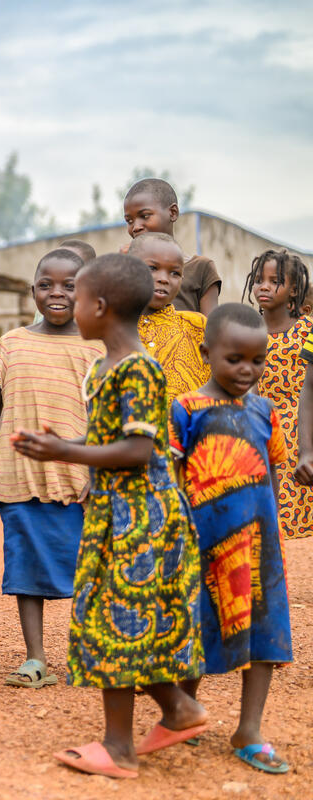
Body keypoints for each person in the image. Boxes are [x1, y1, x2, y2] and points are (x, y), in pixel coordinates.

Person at [13, 254, 206, 780]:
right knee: (108, 619)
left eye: (76, 297)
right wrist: (57, 446)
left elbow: (138, 450)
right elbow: (107, 442)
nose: (70, 306)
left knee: (117, 623)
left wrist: (66, 453)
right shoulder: (104, 367)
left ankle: (119, 748)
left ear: (98, 307)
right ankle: (179, 709)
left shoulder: (138, 368)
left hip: (141, 520)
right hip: (114, 515)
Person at [170, 303, 293, 775]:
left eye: (257, 361)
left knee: (265, 634)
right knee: (196, 625)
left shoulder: (265, 411)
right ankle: (182, 710)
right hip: (201, 544)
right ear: (207, 353)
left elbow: (271, 471)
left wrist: (274, 531)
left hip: (260, 546)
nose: (247, 370)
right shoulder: (187, 409)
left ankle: (250, 729)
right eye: (234, 359)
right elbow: (173, 473)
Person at [0, 249, 103, 689]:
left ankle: (87, 653)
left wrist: (98, 472)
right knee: (26, 571)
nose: (56, 293)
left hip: (79, 482)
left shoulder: (100, 347)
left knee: (88, 570)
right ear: (31, 290)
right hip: (19, 480)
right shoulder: (11, 343)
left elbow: (107, 417)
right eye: (45, 284)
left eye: (69, 285)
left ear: (88, 292)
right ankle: (36, 659)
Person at [250, 249, 313, 540]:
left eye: (274, 280)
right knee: (273, 529)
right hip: (266, 437)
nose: (264, 286)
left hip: (305, 435)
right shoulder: (248, 334)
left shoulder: (308, 331)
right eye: (258, 279)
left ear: (294, 291)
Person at [130, 232, 209, 404]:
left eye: (175, 273)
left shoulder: (198, 326)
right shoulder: (114, 329)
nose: (164, 279)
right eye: (153, 268)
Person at [123, 177, 220, 315]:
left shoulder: (201, 267)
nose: (136, 227)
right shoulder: (127, 266)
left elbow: (211, 329)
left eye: (145, 216)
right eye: (129, 221)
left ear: (173, 213)